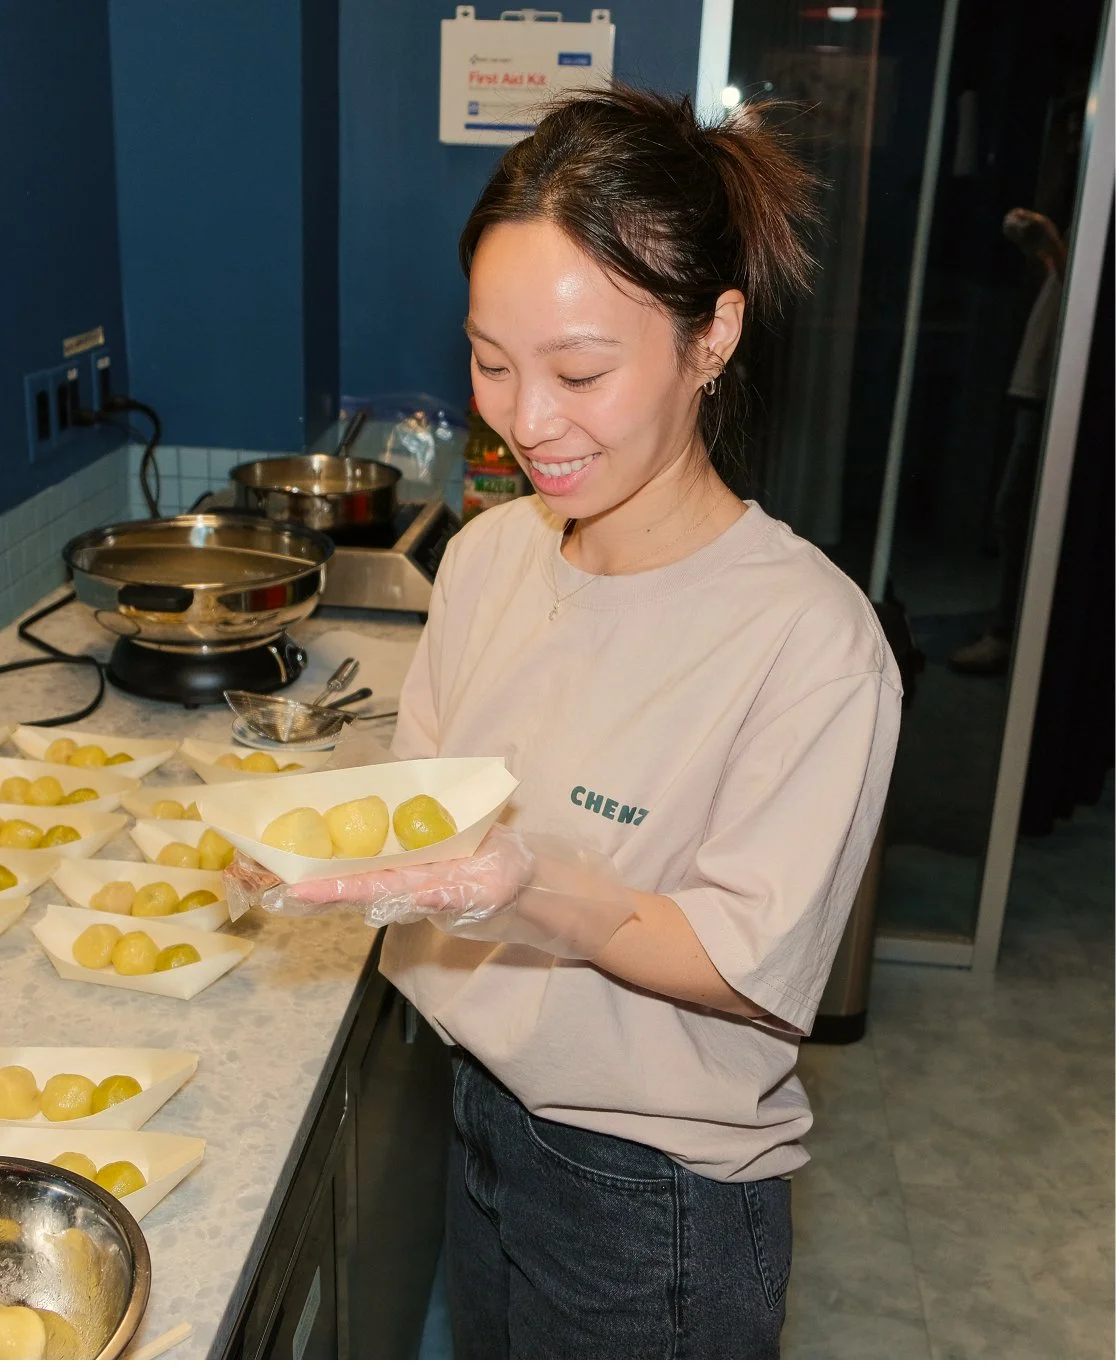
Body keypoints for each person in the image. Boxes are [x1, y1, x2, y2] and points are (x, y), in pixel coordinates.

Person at [289, 88, 902, 1358]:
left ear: (711, 336)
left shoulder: (808, 641)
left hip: (653, 1200)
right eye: (491, 362)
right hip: (480, 1118)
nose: (527, 422)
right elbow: (421, 805)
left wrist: (531, 893)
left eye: (579, 371)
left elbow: (747, 968)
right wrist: (314, 855)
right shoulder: (490, 558)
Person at [949, 207, 1066, 675]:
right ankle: (1014, 630)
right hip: (1042, 377)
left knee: (1021, 509)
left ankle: (1012, 634)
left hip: (1059, 383)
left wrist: (1053, 246)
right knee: (1018, 509)